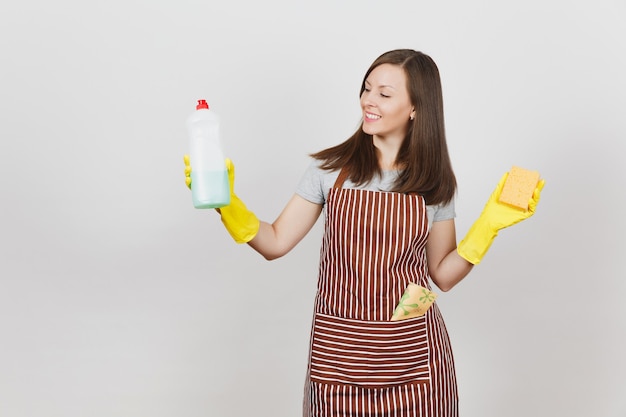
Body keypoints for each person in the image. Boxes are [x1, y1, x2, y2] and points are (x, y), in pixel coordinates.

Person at [184, 49, 544, 416]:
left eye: (385, 94)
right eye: (367, 89)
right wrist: (226, 203)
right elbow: (274, 242)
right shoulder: (329, 171)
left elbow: (442, 276)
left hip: (415, 363)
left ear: (416, 108)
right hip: (337, 362)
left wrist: (488, 227)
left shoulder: (435, 183)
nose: (368, 101)